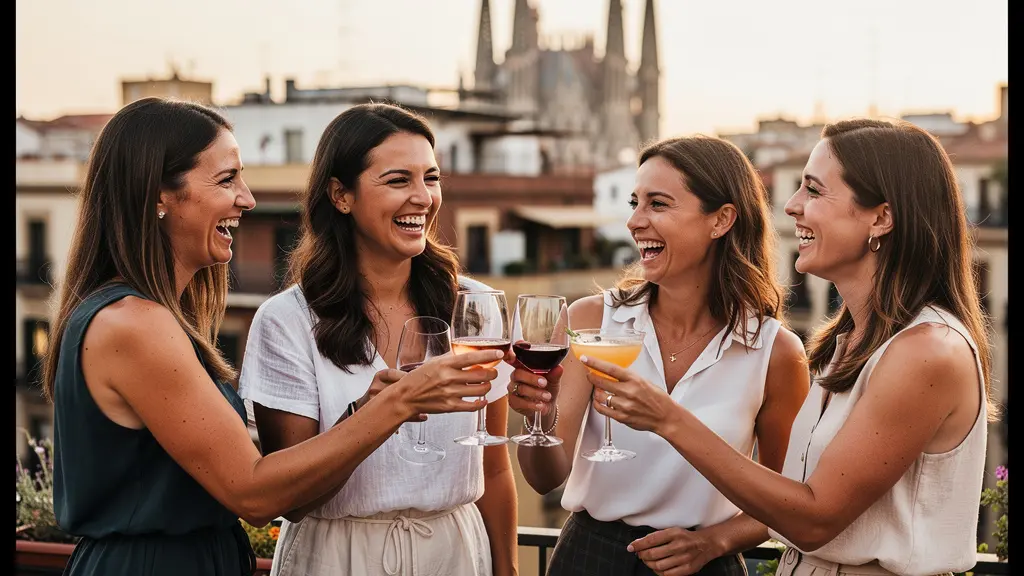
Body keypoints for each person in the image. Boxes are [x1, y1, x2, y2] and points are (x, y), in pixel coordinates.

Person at [43, 97, 502, 576]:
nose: (247, 198)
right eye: (226, 179)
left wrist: (367, 409)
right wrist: (400, 402)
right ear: (158, 195)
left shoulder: (143, 314)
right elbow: (254, 492)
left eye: (431, 177)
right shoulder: (135, 324)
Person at [582, 119, 994, 576]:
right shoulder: (856, 340)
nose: (793, 206)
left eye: (814, 191)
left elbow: (814, 520)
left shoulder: (928, 351)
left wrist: (668, 418)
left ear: (880, 217)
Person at [508, 135, 810, 575]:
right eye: (635, 202)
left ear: (721, 220)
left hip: (704, 565)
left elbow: (785, 501)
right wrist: (542, 414)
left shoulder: (774, 351)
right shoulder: (591, 319)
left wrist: (715, 541)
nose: (634, 221)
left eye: (658, 204)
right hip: (590, 558)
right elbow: (544, 477)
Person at [238, 102, 518, 576]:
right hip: (336, 559)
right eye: (397, 180)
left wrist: (508, 570)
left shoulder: (475, 306)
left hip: (455, 554)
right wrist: (378, 411)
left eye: (431, 178)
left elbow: (492, 468)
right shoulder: (286, 321)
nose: (423, 198)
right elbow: (293, 500)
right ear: (341, 195)